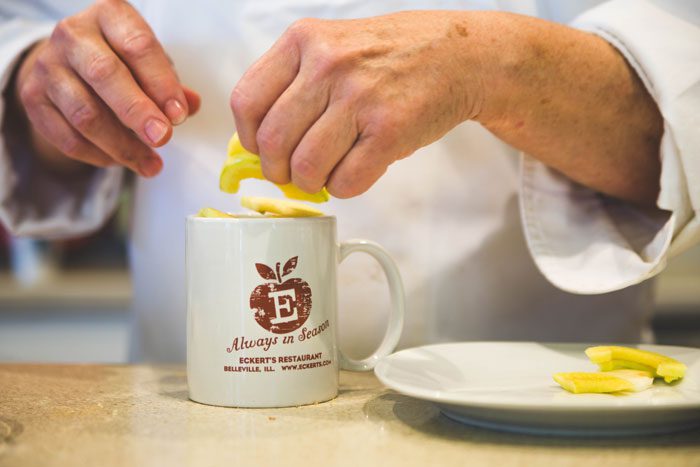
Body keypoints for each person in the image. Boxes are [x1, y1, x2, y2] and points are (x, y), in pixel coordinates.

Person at [0, 0, 698, 362]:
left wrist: (497, 64)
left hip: (531, 412)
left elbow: (680, 111)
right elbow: (25, 34)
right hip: (186, 415)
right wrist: (50, 88)